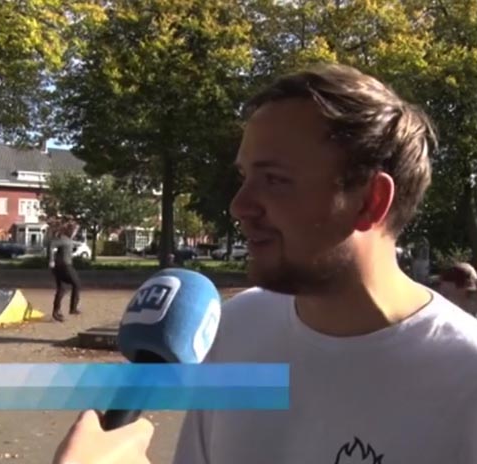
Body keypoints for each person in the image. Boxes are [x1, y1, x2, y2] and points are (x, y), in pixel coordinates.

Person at [52, 63, 477, 463]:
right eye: (244, 177)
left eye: (275, 180)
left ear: (370, 201)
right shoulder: (235, 327)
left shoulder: (465, 377)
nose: (239, 206)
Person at [49, 224, 81, 322]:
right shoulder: (63, 238)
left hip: (60, 266)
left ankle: (56, 312)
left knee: (61, 289)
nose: (75, 233)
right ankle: (73, 308)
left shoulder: (67, 240)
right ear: (70, 231)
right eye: (75, 231)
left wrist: (77, 244)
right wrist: (51, 260)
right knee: (77, 284)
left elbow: (70, 243)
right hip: (64, 266)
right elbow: (52, 245)